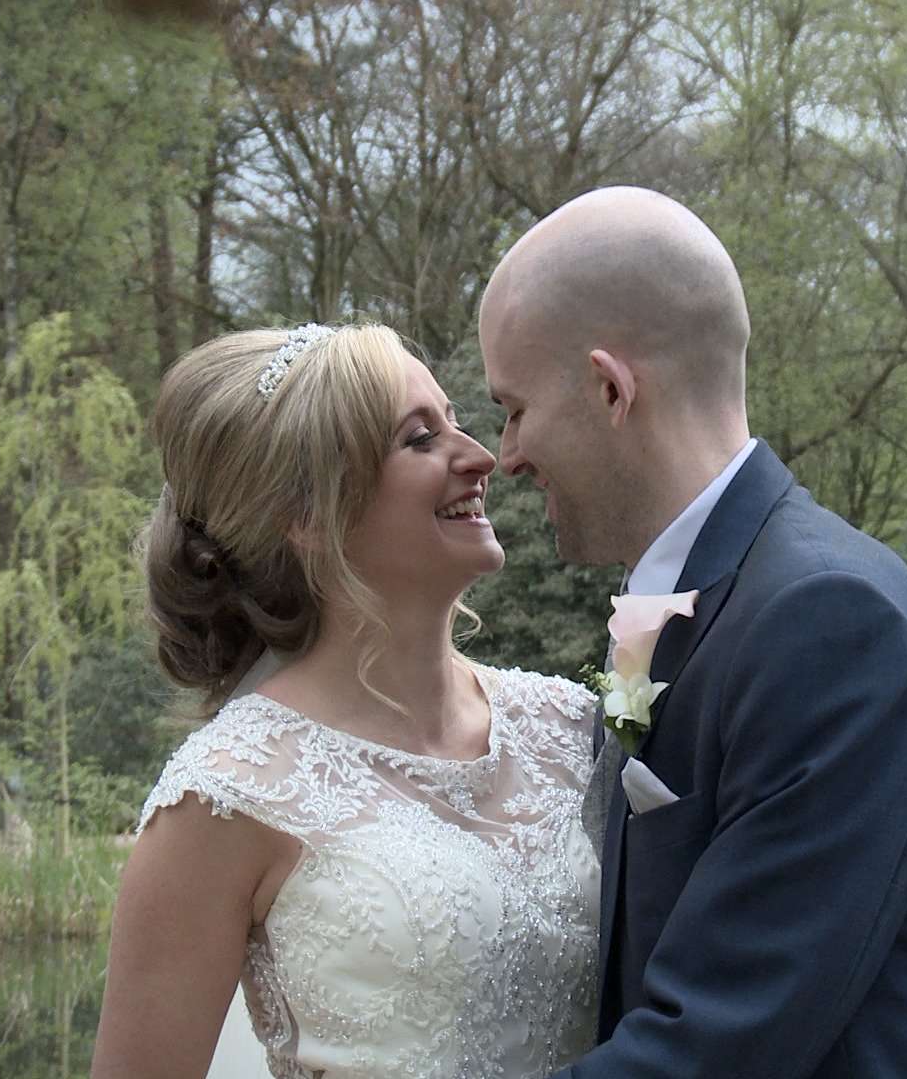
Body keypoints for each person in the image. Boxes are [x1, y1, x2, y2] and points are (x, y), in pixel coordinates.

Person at [478, 186, 907, 1078]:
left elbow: (716, 1045)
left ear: (611, 390)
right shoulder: (700, 603)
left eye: (514, 407)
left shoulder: (831, 625)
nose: (507, 453)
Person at [91, 323, 602, 1078]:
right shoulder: (225, 797)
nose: (482, 457)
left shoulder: (570, 726)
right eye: (421, 439)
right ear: (304, 514)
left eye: (456, 421)